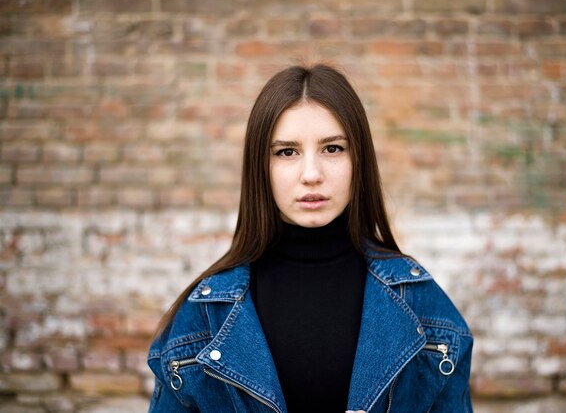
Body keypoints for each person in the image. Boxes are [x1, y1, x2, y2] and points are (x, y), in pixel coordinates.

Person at [147, 63, 474, 413]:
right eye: (287, 152)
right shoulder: (204, 317)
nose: (312, 174)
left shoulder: (421, 305)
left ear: (358, 159)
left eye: (332, 149)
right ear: (261, 166)